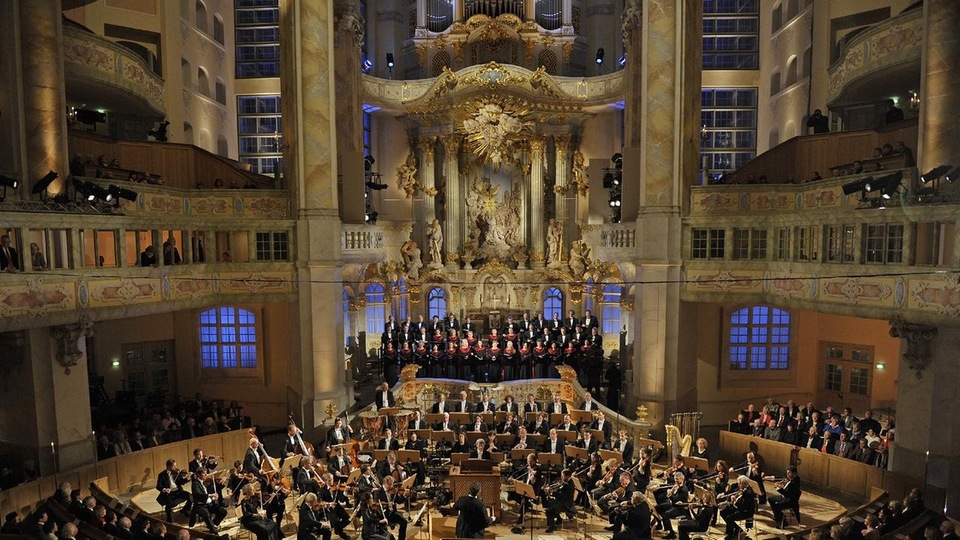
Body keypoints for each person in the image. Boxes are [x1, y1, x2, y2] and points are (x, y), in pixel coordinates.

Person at [720, 476, 757, 540]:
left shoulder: (749, 492)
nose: (738, 485)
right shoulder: (741, 489)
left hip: (745, 512)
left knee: (729, 518)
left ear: (744, 484)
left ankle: (732, 534)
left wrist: (735, 501)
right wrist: (733, 497)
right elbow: (734, 493)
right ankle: (737, 528)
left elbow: (744, 506)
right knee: (723, 512)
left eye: (739, 483)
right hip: (739, 508)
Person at [544, 468, 575, 533]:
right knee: (548, 504)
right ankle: (559, 519)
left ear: (567, 476)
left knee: (549, 511)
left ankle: (551, 527)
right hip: (561, 501)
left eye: (562, 476)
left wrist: (553, 492)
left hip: (566, 504)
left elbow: (562, 496)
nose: (561, 477)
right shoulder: (566, 482)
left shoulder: (569, 485)